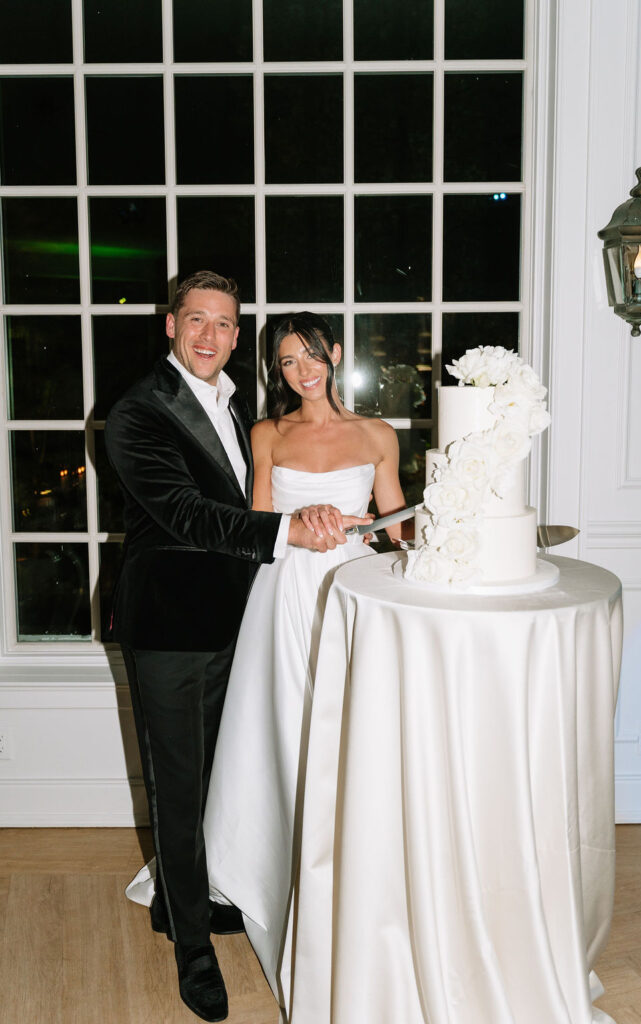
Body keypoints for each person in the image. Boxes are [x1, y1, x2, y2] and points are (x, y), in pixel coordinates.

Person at [104, 273, 370, 1023]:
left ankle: (183, 899)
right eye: (196, 320)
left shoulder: (236, 405)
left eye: (223, 324)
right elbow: (188, 515)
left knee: (219, 774)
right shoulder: (137, 412)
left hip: (238, 622)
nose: (209, 336)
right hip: (169, 627)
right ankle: (191, 948)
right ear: (171, 325)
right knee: (177, 787)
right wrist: (292, 531)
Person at [201, 311, 411, 1020]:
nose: (302, 371)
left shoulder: (377, 435)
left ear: (336, 354)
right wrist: (300, 525)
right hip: (285, 590)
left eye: (311, 356)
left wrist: (362, 527)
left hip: (354, 591)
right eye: (287, 362)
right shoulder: (266, 433)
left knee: (351, 736)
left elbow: (396, 531)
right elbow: (257, 523)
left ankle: (350, 870)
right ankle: (272, 867)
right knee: (286, 732)